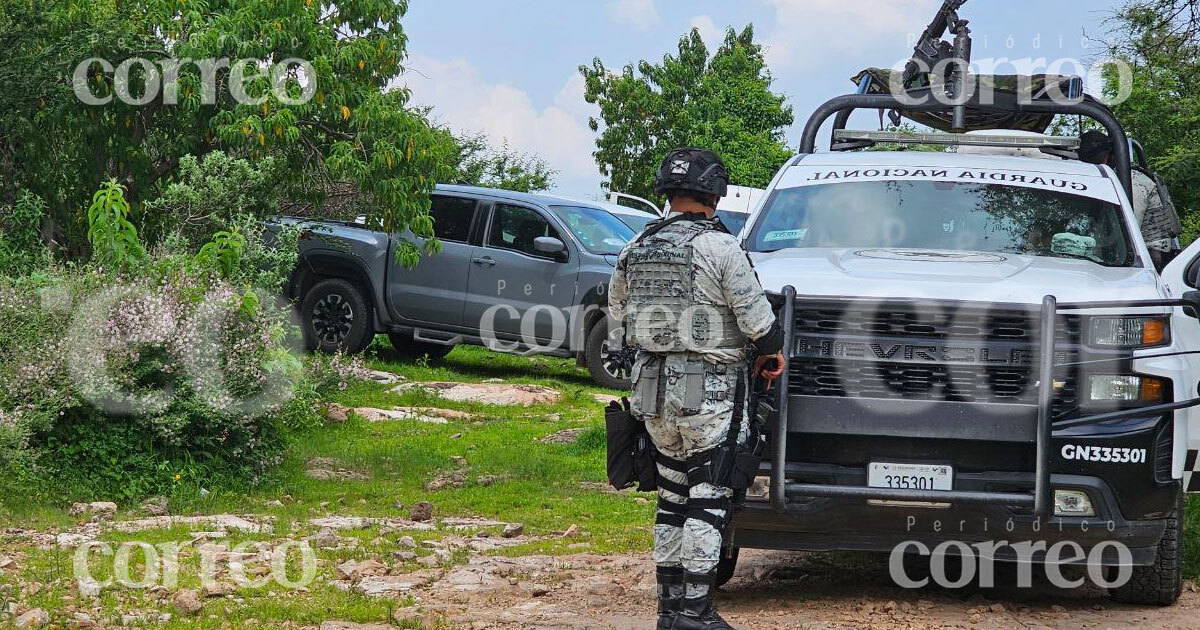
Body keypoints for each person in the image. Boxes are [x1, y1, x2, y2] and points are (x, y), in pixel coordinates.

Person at [608, 148, 787, 630]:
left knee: (671, 498)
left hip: (651, 393)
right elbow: (759, 325)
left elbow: (617, 324)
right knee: (709, 498)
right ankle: (696, 613)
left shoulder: (636, 247)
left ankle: (669, 612)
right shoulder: (721, 249)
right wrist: (774, 352)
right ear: (714, 194)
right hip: (708, 394)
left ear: (668, 194)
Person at [1078, 130, 1181, 269]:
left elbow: (1126, 232)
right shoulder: (1113, 180)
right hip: (1130, 255)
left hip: (1151, 259)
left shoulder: (1133, 182)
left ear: (1110, 156)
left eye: (1097, 161)